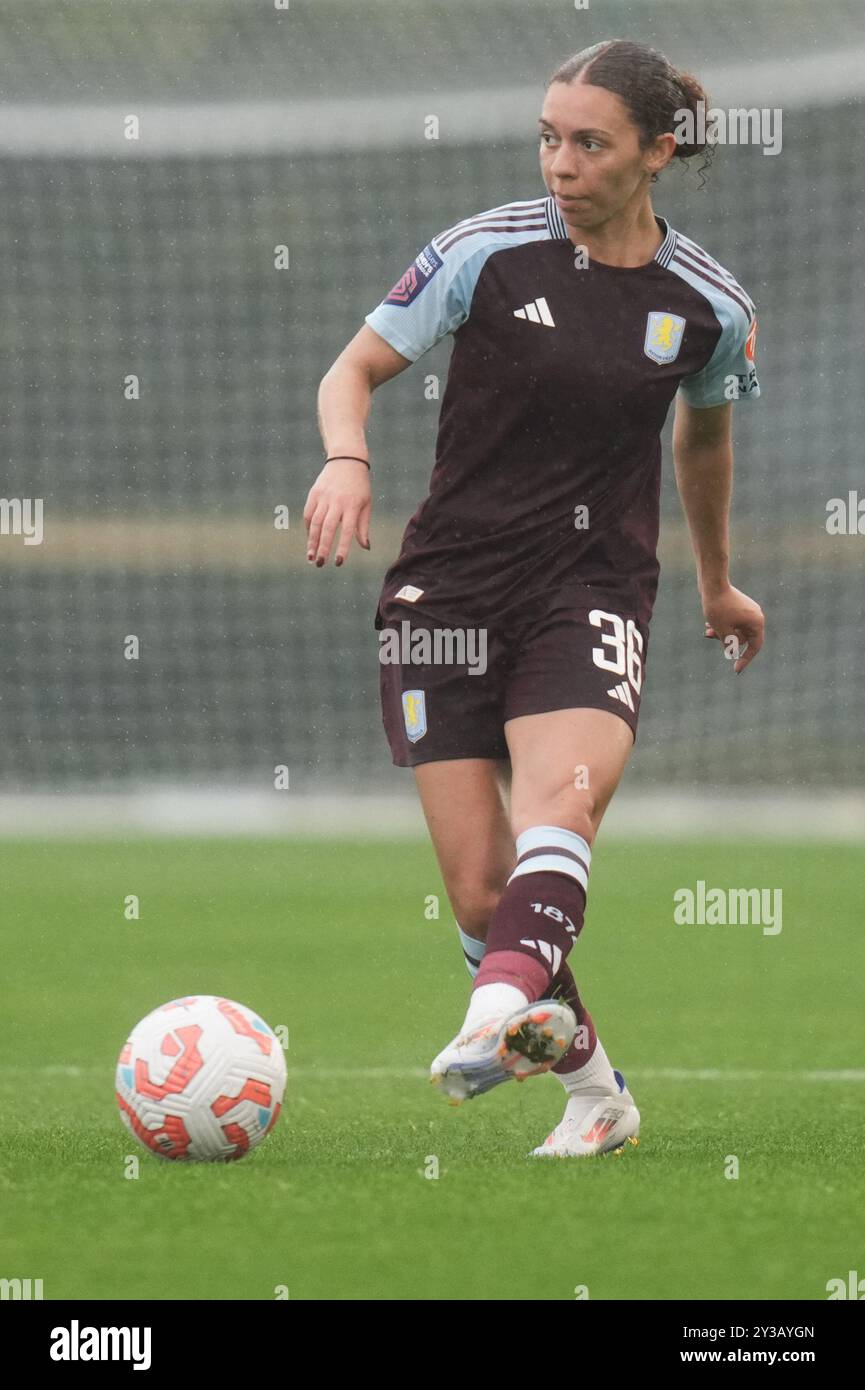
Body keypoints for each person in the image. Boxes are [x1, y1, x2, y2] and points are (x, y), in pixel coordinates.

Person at [304, 39, 764, 1157]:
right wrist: (345, 459)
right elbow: (350, 370)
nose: (560, 163)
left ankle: (489, 1016)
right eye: (549, 138)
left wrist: (714, 581)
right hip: (447, 590)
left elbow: (704, 441)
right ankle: (596, 1093)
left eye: (589, 143)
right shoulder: (482, 254)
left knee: (560, 799)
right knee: (479, 896)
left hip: (590, 585)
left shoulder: (709, 307)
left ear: (657, 152)